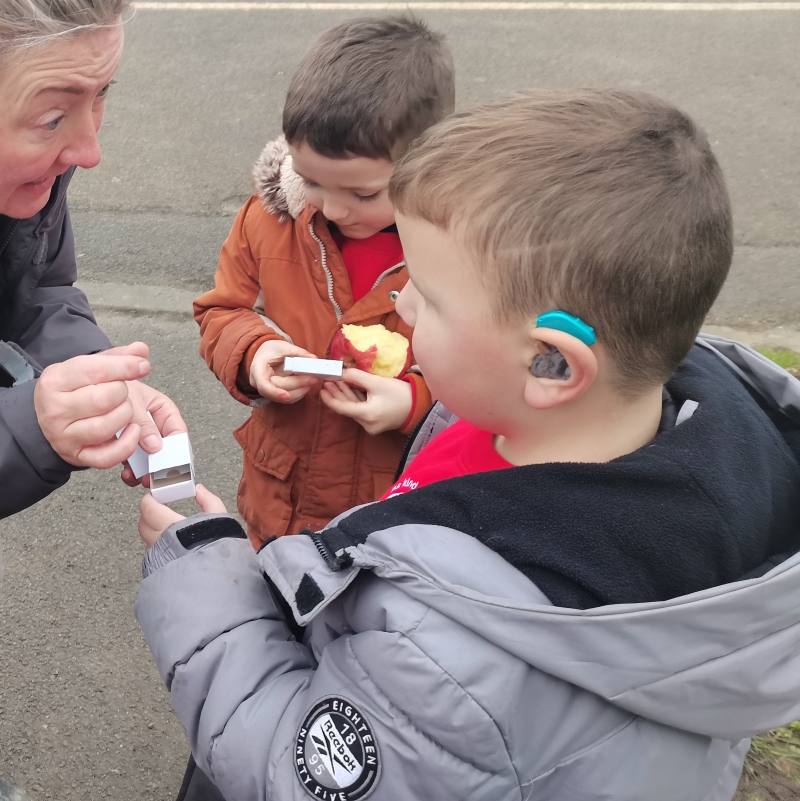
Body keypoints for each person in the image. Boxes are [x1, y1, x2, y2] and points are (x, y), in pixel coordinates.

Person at [136, 90, 800, 801]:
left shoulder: (450, 660)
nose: (405, 305)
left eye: (426, 291)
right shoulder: (651, 445)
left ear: (550, 364)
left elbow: (291, 770)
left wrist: (206, 577)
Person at [194, 15, 454, 547]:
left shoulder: (461, 248)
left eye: (364, 194)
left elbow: (495, 368)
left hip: (391, 512)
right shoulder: (270, 220)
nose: (334, 207)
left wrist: (415, 405)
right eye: (312, 181)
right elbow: (222, 310)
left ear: (426, 165)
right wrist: (254, 354)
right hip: (281, 497)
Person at [0, 0, 186, 522]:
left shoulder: (37, 176)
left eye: (102, 92)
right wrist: (27, 427)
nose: (89, 150)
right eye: (53, 117)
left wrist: (95, 380)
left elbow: (37, 286)